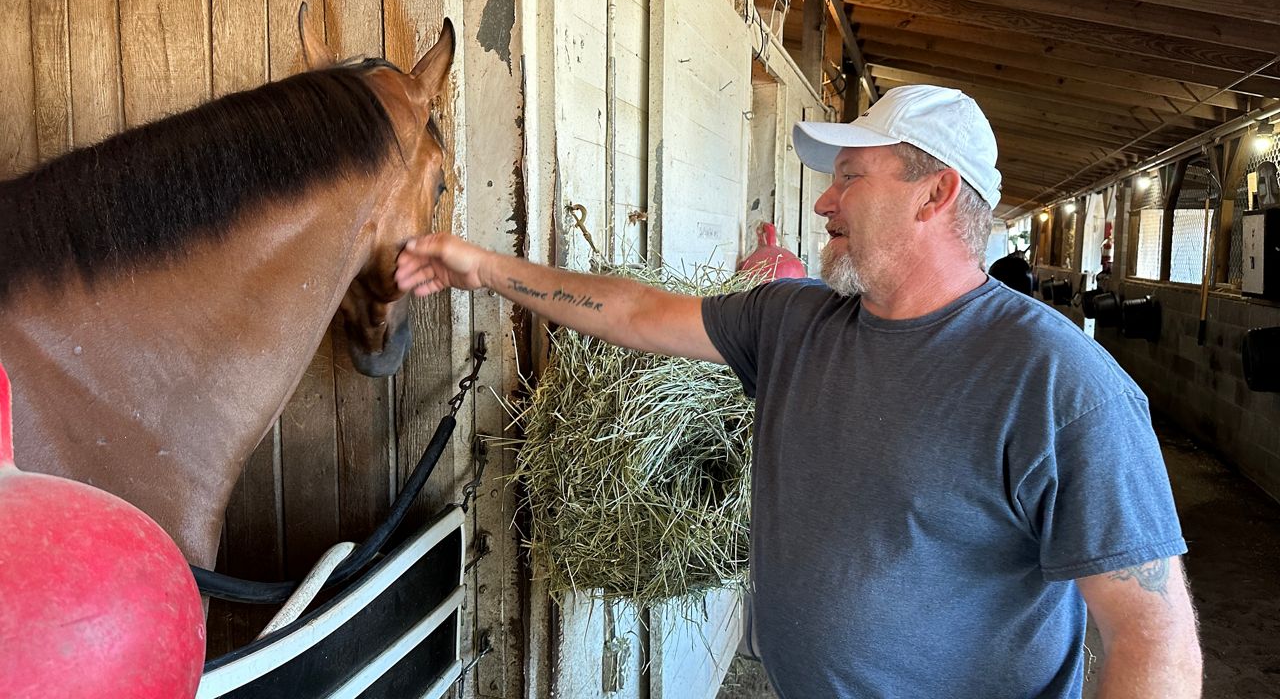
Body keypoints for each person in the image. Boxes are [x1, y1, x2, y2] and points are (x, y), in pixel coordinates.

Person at [395, 84, 1202, 698]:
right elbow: (638, 311)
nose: (822, 199)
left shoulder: (1060, 384)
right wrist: (486, 269)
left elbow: (1151, 639)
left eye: (851, 176)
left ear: (936, 193)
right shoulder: (794, 323)